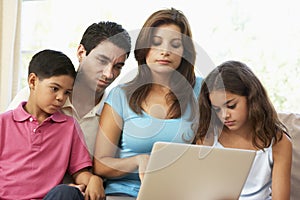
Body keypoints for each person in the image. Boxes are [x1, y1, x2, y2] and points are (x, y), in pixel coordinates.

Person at [93, 8, 202, 199]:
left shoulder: (201, 91)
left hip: (178, 194)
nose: (165, 51)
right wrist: (138, 161)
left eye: (175, 44)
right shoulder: (120, 95)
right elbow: (100, 164)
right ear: (144, 49)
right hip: (125, 193)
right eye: (156, 42)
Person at [6, 21, 132, 157]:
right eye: (102, 61)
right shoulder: (34, 96)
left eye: (117, 66)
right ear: (81, 53)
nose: (109, 74)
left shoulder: (115, 112)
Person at [0, 49, 105, 200]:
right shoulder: (3, 123)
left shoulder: (69, 127)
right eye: (54, 89)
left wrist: (95, 179)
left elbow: (79, 172)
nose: (61, 98)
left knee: (67, 193)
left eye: (67, 92)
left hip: (50, 198)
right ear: (33, 81)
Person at [194, 60, 292, 199]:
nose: (224, 115)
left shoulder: (279, 142)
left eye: (231, 106)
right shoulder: (208, 137)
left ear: (252, 98)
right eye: (217, 109)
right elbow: (199, 190)